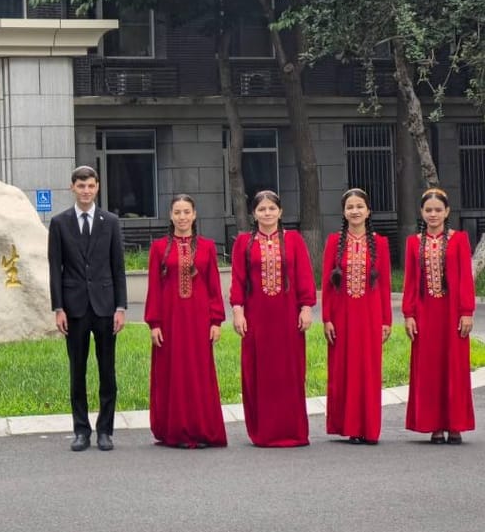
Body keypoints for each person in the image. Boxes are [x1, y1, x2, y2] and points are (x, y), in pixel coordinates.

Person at [48, 166, 127, 451]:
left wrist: (121, 307)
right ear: (72, 188)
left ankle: (105, 430)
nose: (86, 191)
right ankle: (81, 430)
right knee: (77, 371)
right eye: (81, 186)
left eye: (91, 186)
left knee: (108, 371)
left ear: (97, 188)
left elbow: (118, 268)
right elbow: (55, 269)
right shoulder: (59, 223)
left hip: (106, 307)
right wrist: (58, 307)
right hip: (74, 307)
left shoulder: (111, 221)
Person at [230, 190, 316, 447]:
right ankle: (263, 432)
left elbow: (304, 275)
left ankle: (293, 431)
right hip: (257, 318)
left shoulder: (294, 241)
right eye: (261, 209)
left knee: (289, 372)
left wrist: (306, 307)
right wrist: (238, 312)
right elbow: (237, 279)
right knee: (259, 371)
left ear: (280, 212)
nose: (267, 213)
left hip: (288, 317)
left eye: (271, 208)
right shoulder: (244, 242)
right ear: (254, 214)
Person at [144, 194, 227, 448]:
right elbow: (154, 288)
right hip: (170, 321)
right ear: (171, 216)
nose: (182, 217)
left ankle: (200, 429)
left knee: (198, 373)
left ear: (194, 215)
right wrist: (154, 323)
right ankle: (176, 431)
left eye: (186, 212)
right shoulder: (159, 248)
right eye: (177, 212)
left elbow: (214, 285)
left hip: (199, 321)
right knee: (174, 373)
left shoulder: (207, 246)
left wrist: (216, 320)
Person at [403, 187, 476, 444]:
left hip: (452, 313)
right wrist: (408, 314)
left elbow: (466, 279)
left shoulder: (459, 239)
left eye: (438, 210)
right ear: (421, 213)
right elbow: (411, 281)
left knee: (454, 367)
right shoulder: (414, 242)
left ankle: (454, 424)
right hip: (425, 314)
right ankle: (433, 424)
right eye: (428, 210)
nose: (433, 214)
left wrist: (467, 311)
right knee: (429, 368)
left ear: (447, 212)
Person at [321, 188, 392, 445]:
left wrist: (386, 320)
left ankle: (369, 427)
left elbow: (384, 285)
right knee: (344, 369)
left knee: (368, 370)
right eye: (350, 207)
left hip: (371, 315)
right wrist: (327, 318)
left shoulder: (381, 243)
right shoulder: (333, 242)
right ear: (343, 212)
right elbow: (327, 284)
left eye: (359, 206)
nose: (355, 211)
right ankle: (350, 426)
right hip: (341, 316)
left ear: (368, 210)